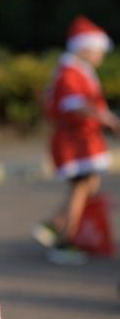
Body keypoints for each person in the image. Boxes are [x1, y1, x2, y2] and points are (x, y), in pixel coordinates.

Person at [36, 15, 118, 265]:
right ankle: (63, 240)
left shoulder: (76, 70)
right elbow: (75, 104)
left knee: (88, 185)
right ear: (84, 47)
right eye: (97, 50)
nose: (100, 56)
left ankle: (53, 226)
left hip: (81, 142)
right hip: (74, 143)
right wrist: (108, 119)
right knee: (81, 188)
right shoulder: (71, 71)